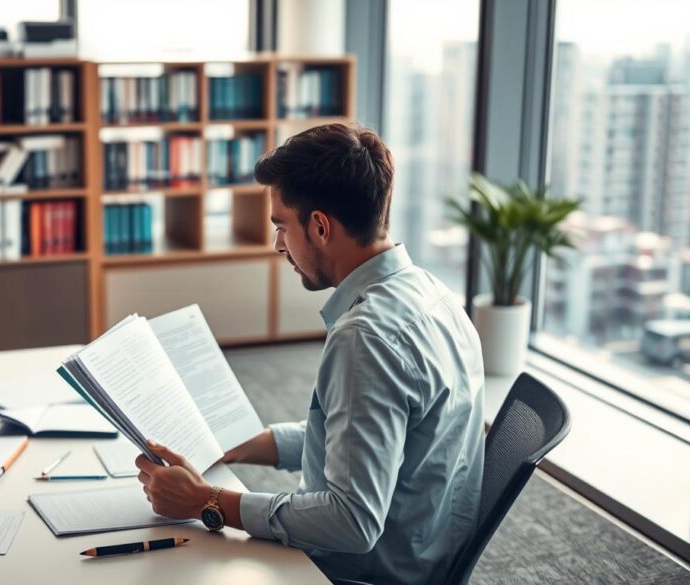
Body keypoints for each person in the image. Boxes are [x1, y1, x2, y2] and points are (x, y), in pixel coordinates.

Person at [135, 123, 485, 585]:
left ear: (319, 226)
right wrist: (246, 444)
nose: (279, 244)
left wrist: (209, 503)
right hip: (424, 551)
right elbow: (368, 435)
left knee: (162, 568)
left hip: (358, 573)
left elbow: (351, 521)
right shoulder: (432, 293)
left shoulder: (366, 339)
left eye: (281, 226)